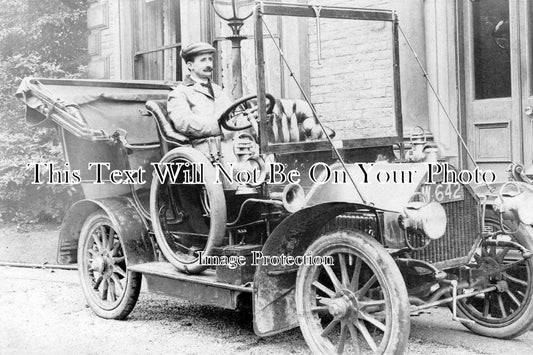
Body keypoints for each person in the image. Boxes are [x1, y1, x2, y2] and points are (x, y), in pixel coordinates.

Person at [167, 42, 232, 140]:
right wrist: (219, 126)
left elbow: (231, 113)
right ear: (190, 66)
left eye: (210, 59)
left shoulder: (217, 89)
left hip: (230, 142)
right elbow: (186, 123)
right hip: (204, 147)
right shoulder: (179, 93)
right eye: (203, 60)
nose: (209, 64)